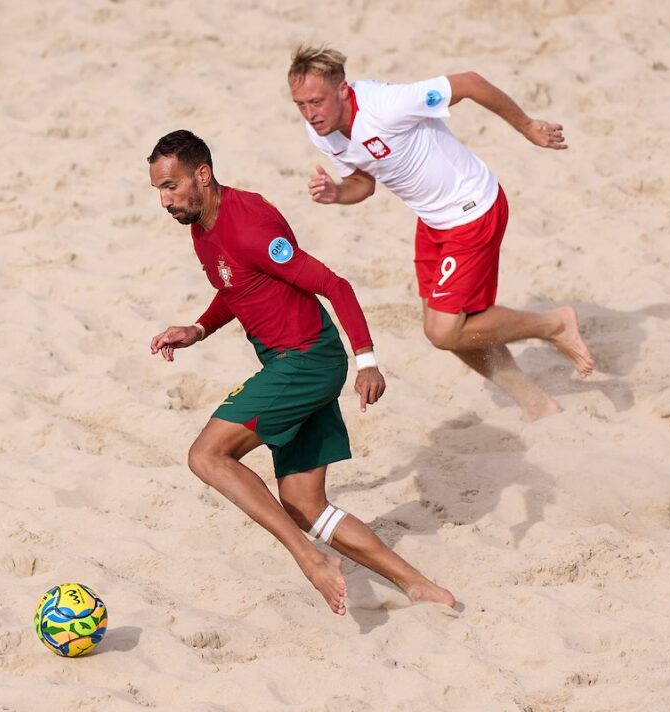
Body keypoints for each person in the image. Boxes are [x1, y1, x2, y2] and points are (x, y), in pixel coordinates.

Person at [147, 130, 455, 615]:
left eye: (170, 186)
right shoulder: (201, 226)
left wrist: (367, 360)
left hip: (307, 360)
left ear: (201, 176)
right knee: (305, 503)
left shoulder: (251, 225)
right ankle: (420, 586)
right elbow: (237, 286)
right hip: (291, 362)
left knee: (206, 456)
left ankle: (310, 559)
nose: (164, 200)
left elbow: (335, 284)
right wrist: (199, 329)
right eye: (159, 190)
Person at [287, 46, 594, 421]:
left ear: (342, 89)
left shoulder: (387, 104)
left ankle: (554, 323)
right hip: (432, 221)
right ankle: (539, 405)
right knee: (459, 328)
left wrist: (528, 126)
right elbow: (363, 181)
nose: (309, 113)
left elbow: (470, 83)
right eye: (300, 104)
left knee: (444, 330)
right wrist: (337, 194)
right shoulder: (321, 131)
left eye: (315, 101)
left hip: (471, 209)